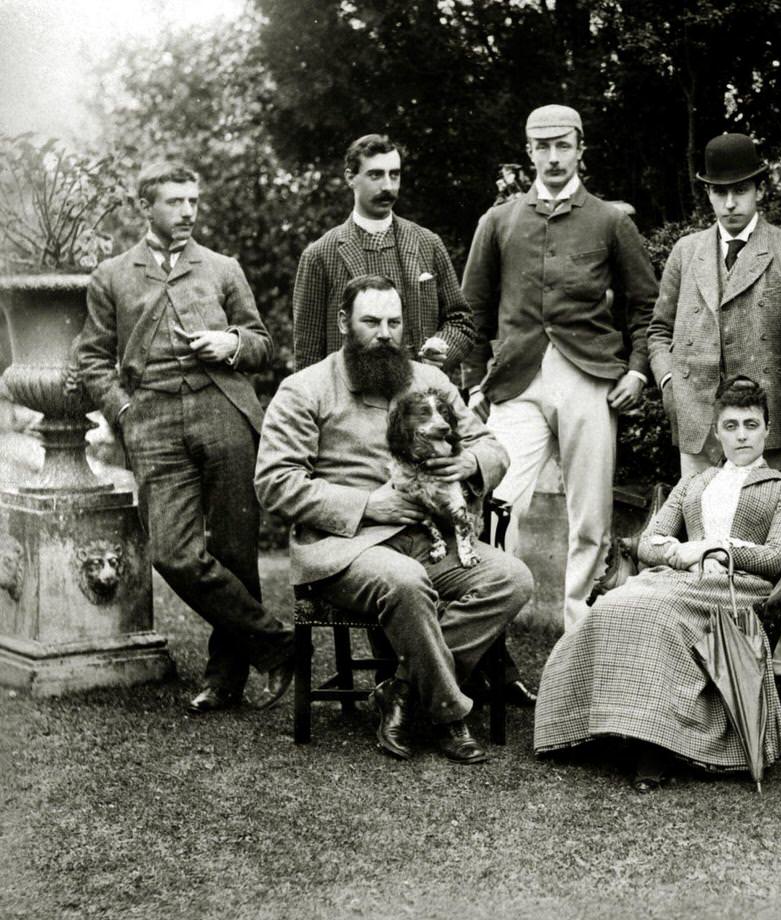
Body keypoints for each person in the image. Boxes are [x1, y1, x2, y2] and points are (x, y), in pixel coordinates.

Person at [254, 275, 533, 763]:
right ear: (344, 323)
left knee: (512, 578)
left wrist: (471, 463)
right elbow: (274, 482)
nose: (384, 333)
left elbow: (491, 446)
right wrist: (366, 506)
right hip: (347, 546)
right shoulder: (304, 389)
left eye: (394, 322)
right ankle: (447, 713)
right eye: (371, 321)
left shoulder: (431, 383)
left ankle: (401, 692)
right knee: (405, 582)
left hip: (430, 539)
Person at [75, 161, 293, 714]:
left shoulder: (222, 268)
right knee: (172, 553)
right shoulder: (113, 275)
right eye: (175, 202)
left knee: (234, 550)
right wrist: (124, 411)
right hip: (151, 419)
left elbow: (264, 342)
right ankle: (277, 643)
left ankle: (226, 679)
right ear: (145, 207)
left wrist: (232, 345)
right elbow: (93, 359)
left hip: (223, 410)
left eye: (193, 201)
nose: (188, 211)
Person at [533, 377, 781, 791]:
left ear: (768, 429)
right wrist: (682, 553)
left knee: (657, 615)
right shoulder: (695, 483)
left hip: (738, 587)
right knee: (614, 605)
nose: (742, 435)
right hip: (679, 578)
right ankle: (592, 722)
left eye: (751, 425)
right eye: (730, 426)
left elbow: (773, 559)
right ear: (717, 431)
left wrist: (712, 549)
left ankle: (653, 748)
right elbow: (649, 543)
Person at [461, 104, 659, 631]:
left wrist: (637, 371)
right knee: (497, 502)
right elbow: (471, 310)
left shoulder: (609, 220)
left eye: (562, 146)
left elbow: (646, 304)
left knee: (590, 517)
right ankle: (488, 635)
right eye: (542, 147)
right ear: (529, 153)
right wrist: (473, 384)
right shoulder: (499, 220)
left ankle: (580, 640)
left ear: (579, 150)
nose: (553, 158)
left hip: (587, 377)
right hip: (516, 380)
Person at [648, 131, 781, 678]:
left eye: (739, 190)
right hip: (699, 423)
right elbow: (656, 331)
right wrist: (671, 382)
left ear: (758, 189)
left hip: (767, 426)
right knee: (703, 536)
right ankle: (699, 656)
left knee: (773, 546)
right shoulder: (686, 253)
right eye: (718, 192)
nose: (729, 202)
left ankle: (778, 661)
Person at [292, 133, 476, 373]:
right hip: (351, 403)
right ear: (351, 178)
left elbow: (460, 320)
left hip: (419, 397)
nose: (388, 186)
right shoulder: (320, 255)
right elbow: (308, 355)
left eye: (394, 175)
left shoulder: (427, 243)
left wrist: (443, 349)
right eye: (375, 175)